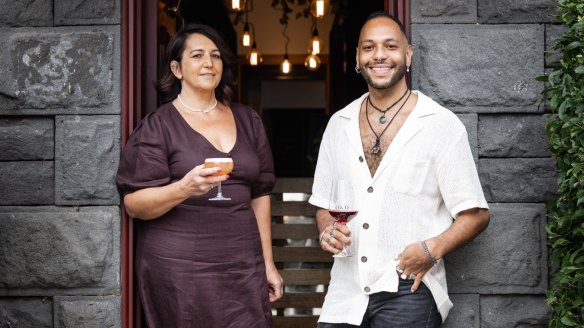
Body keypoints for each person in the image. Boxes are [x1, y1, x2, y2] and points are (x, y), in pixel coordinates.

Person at [309, 12, 490, 327]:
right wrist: (328, 230)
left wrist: (431, 249)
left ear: (407, 55)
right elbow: (324, 206)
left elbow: (476, 214)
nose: (379, 55)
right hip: (345, 293)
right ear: (357, 58)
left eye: (390, 46)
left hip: (410, 286)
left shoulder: (440, 124)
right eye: (369, 47)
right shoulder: (339, 125)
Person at [116, 24, 283, 327]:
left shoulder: (248, 120)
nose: (209, 63)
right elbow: (134, 204)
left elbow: (260, 195)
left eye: (216, 56)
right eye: (197, 55)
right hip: (179, 268)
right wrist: (183, 188)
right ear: (176, 68)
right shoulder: (159, 125)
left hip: (241, 263)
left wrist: (268, 264)